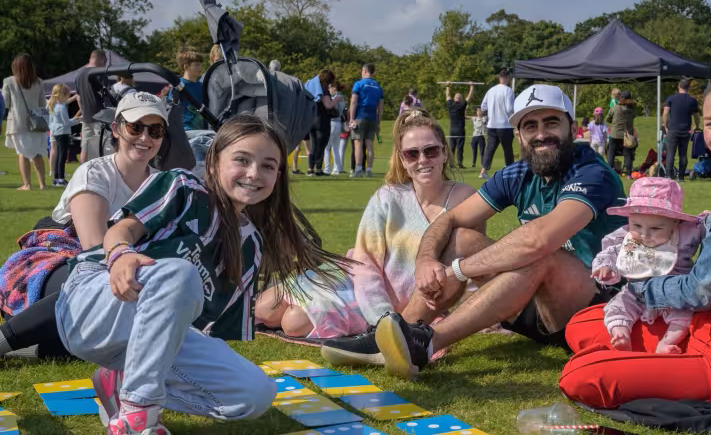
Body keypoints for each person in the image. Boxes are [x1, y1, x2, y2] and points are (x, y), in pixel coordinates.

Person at [54, 114, 348, 435]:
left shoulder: (251, 246)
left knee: (255, 393)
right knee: (178, 273)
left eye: (268, 166)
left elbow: (206, 331)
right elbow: (121, 229)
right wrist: (121, 256)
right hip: (92, 301)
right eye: (241, 160)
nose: (254, 173)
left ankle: (121, 381)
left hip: (142, 334)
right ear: (215, 161)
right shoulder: (184, 187)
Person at [337, 85, 626, 380]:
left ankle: (425, 344)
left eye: (551, 122)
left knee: (542, 254)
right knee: (462, 237)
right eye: (530, 126)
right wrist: (425, 259)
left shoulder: (592, 173)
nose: (541, 134)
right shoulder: (519, 173)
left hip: (603, 313)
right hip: (540, 310)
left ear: (572, 128)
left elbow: (539, 239)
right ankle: (395, 335)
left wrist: (458, 271)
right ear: (518, 135)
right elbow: (448, 221)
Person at [560, 72, 711, 408]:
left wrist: (640, 286)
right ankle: (676, 358)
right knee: (582, 325)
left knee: (581, 375)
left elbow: (702, 291)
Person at [257, 109, 479, 360]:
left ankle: (347, 318)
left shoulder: (465, 198)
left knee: (293, 323)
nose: (422, 160)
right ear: (403, 159)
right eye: (412, 153)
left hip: (402, 302)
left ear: (444, 153)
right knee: (265, 308)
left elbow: (470, 258)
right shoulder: (389, 197)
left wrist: (391, 321)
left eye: (431, 151)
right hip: (357, 280)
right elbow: (365, 262)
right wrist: (381, 316)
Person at [0, 92, 170, 360]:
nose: (145, 138)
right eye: (135, 127)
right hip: (64, 260)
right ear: (116, 128)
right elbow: (93, 249)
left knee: (136, 322)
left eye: (155, 130)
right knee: (102, 289)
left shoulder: (164, 184)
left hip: (125, 269)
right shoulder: (95, 173)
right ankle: (5, 341)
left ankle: (33, 350)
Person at [591, 177, 705, 353]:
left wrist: (710, 220)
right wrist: (605, 267)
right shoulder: (625, 237)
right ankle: (621, 335)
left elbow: (707, 228)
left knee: (685, 312)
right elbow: (610, 252)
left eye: (656, 229)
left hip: (675, 292)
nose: (645, 234)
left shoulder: (686, 233)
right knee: (617, 306)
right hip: (636, 291)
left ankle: (666, 343)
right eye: (637, 225)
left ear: (676, 222)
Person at [2, 53, 48, 191]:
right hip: (36, 122)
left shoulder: (9, 82)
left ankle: (27, 184)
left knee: (22, 153)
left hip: (18, 123)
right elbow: (42, 103)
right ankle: (42, 184)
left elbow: (5, 103)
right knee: (37, 154)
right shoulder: (39, 82)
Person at [349, 63, 385, 178]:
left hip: (360, 117)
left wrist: (351, 118)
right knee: (370, 144)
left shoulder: (358, 84)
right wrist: (378, 123)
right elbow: (380, 107)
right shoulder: (378, 86)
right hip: (373, 118)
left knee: (358, 143)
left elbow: (354, 102)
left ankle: (358, 169)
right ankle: (369, 169)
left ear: (365, 71)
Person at [479, 68, 515, 179]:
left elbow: (483, 107)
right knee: (508, 149)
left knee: (489, 149)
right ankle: (510, 171)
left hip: (492, 125)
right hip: (505, 125)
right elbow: (509, 109)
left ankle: (483, 171)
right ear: (508, 78)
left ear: (499, 78)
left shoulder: (490, 91)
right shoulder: (508, 91)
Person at [662, 78, 701, 181]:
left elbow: (665, 113)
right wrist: (696, 126)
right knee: (683, 154)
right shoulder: (692, 100)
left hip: (673, 129)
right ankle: (682, 176)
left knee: (670, 153)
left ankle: (668, 175)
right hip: (686, 130)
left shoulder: (671, 99)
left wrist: (665, 126)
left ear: (678, 86)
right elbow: (697, 116)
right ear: (689, 88)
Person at [75, 49, 108, 164]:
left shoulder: (79, 74)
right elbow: (105, 94)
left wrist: (83, 112)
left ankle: (83, 173)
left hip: (86, 117)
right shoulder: (98, 73)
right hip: (100, 116)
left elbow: (78, 97)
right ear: (102, 59)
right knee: (102, 146)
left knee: (85, 147)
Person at [304, 70, 337, 176]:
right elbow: (328, 105)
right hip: (321, 119)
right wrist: (337, 100)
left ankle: (310, 169)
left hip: (310, 118)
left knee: (313, 145)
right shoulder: (323, 89)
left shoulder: (311, 85)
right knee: (321, 145)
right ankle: (318, 169)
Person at [47, 83, 79, 187]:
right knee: (62, 156)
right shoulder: (61, 107)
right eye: (67, 95)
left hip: (56, 132)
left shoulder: (53, 105)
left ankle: (56, 178)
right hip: (63, 132)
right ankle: (61, 178)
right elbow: (66, 123)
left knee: (58, 155)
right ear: (63, 95)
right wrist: (78, 120)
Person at [168, 49, 206, 132]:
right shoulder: (178, 86)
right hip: (184, 130)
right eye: (196, 65)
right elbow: (171, 110)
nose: (200, 67)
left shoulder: (203, 86)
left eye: (201, 65)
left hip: (202, 131)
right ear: (186, 66)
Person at [605, 91, 636, 174]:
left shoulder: (615, 108)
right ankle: (629, 173)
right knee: (627, 154)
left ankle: (610, 172)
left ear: (621, 98)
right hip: (627, 135)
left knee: (611, 152)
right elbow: (632, 119)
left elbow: (607, 119)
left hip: (615, 133)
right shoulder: (632, 110)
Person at [445, 82, 474, 169]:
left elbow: (448, 96)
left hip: (452, 130)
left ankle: (451, 163)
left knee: (452, 148)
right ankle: (460, 163)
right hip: (460, 130)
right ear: (460, 99)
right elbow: (469, 97)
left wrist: (448, 85)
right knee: (460, 147)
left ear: (454, 99)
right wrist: (471, 87)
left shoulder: (451, 105)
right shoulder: (462, 105)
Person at [324, 82, 347, 174]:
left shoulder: (334, 98)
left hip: (332, 122)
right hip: (339, 123)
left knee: (327, 147)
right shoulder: (343, 98)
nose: (329, 90)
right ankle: (337, 169)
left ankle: (327, 169)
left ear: (334, 88)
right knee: (336, 147)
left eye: (330, 88)